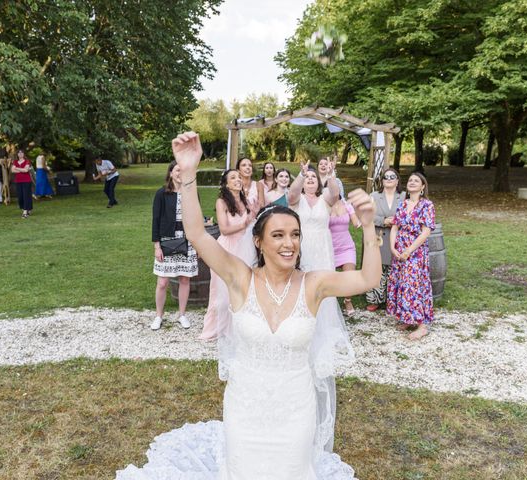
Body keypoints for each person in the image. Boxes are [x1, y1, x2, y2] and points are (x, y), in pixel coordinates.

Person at [116, 131, 381, 480]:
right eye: (278, 235)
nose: (289, 244)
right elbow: (196, 234)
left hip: (296, 411)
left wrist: (368, 226)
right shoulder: (240, 278)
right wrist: (189, 171)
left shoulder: (314, 284)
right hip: (245, 410)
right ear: (258, 241)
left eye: (295, 235)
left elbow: (367, 280)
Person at [200, 169, 257, 340]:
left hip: (245, 248)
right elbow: (224, 230)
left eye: (239, 177)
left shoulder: (245, 200)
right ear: (226, 184)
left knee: (244, 289)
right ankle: (216, 329)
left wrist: (252, 216)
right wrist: (245, 223)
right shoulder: (222, 202)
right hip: (227, 250)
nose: (238, 180)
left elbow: (251, 224)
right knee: (222, 292)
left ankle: (240, 328)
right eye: (233, 178)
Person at [387, 172, 435, 341]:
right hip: (399, 249)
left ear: (422, 187)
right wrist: (392, 247)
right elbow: (395, 227)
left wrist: (409, 250)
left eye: (417, 181)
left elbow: (426, 232)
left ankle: (422, 326)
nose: (412, 182)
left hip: (415, 251)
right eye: (410, 180)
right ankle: (407, 318)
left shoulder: (426, 205)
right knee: (401, 283)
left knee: (413, 285)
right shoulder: (403, 203)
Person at [150, 161, 198, 331]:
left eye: (183, 170)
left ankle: (182, 315)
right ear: (171, 173)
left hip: (187, 240)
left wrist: (198, 243)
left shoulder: (191, 193)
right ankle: (158, 316)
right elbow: (155, 220)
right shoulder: (162, 193)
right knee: (163, 282)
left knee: (185, 279)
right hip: (167, 240)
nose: (180, 173)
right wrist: (157, 246)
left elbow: (196, 219)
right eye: (177, 170)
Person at [366, 168, 405, 311]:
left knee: (395, 269)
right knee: (378, 268)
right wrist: (383, 220)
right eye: (386, 177)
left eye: (392, 176)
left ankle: (393, 299)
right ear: (382, 181)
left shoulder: (404, 196)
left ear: (397, 180)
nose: (389, 179)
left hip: (398, 237)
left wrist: (397, 220)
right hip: (379, 236)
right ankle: (374, 299)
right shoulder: (374, 196)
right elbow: (366, 216)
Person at [329, 196, 361, 316]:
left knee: (350, 276)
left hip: (346, 247)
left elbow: (356, 223)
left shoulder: (347, 205)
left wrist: (362, 217)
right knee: (329, 278)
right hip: (329, 248)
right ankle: (329, 304)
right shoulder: (323, 205)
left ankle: (347, 301)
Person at [11, 149, 34, 218]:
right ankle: (28, 208)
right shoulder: (15, 161)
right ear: (17, 154)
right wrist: (22, 170)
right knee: (20, 196)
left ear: (24, 154)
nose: (20, 154)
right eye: (19, 153)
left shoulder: (27, 161)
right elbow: (12, 170)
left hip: (26, 181)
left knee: (26, 195)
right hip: (18, 181)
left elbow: (26, 170)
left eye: (22, 152)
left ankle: (25, 211)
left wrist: (17, 168)